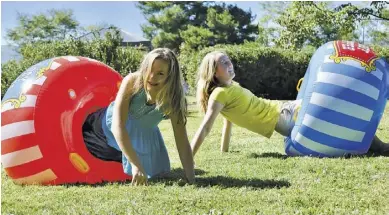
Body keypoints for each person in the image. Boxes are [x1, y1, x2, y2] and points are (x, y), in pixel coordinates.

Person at [190, 51, 389, 158]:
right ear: (214, 72)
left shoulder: (231, 87)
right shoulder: (220, 94)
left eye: (228, 60)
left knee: (337, 110)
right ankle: (380, 147)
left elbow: (229, 119)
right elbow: (206, 126)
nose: (229, 64)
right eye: (223, 63)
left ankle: (377, 145)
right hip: (284, 116)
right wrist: (188, 157)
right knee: (336, 109)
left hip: (285, 108)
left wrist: (224, 150)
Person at [82, 48, 195, 185]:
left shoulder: (174, 100)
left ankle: (125, 157)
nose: (152, 77)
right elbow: (118, 125)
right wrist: (136, 165)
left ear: (170, 77)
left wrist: (191, 178)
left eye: (160, 73)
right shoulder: (133, 81)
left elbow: (182, 141)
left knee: (153, 174)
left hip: (143, 136)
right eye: (150, 70)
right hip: (103, 129)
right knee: (89, 139)